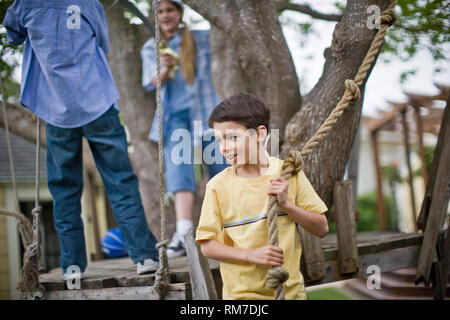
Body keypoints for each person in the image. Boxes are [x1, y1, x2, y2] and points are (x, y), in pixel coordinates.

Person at [3, 0, 160, 277]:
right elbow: (102, 42)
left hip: (56, 108)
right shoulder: (88, 2)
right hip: (97, 101)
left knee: (65, 188)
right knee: (120, 180)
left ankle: (72, 263)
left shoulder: (25, 4)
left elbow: (13, 34)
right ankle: (144, 256)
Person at [195, 93, 329, 300]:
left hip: (291, 294)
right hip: (241, 298)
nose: (224, 148)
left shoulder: (287, 173)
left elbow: (321, 228)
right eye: (219, 140)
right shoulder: (217, 187)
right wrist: (250, 255)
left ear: (259, 134)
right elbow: (207, 245)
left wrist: (288, 206)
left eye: (232, 138)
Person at [141, 0, 228, 258]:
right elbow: (152, 83)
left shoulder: (202, 38)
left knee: (221, 169)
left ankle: (228, 228)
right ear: (155, 17)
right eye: (160, 11)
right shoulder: (151, 46)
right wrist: (165, 65)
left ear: (180, 12)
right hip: (175, 118)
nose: (166, 15)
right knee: (179, 171)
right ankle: (184, 232)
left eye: (170, 10)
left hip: (207, 113)